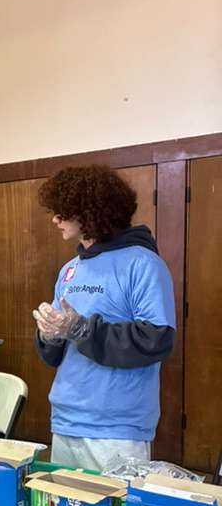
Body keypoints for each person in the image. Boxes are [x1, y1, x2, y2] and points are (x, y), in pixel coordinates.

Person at [32, 165, 175, 472]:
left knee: (115, 505)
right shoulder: (70, 269)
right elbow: (57, 350)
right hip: (65, 420)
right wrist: (49, 334)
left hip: (117, 428)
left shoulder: (143, 264)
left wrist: (81, 329)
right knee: (65, 502)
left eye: (62, 211)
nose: (55, 219)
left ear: (89, 211)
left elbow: (156, 339)